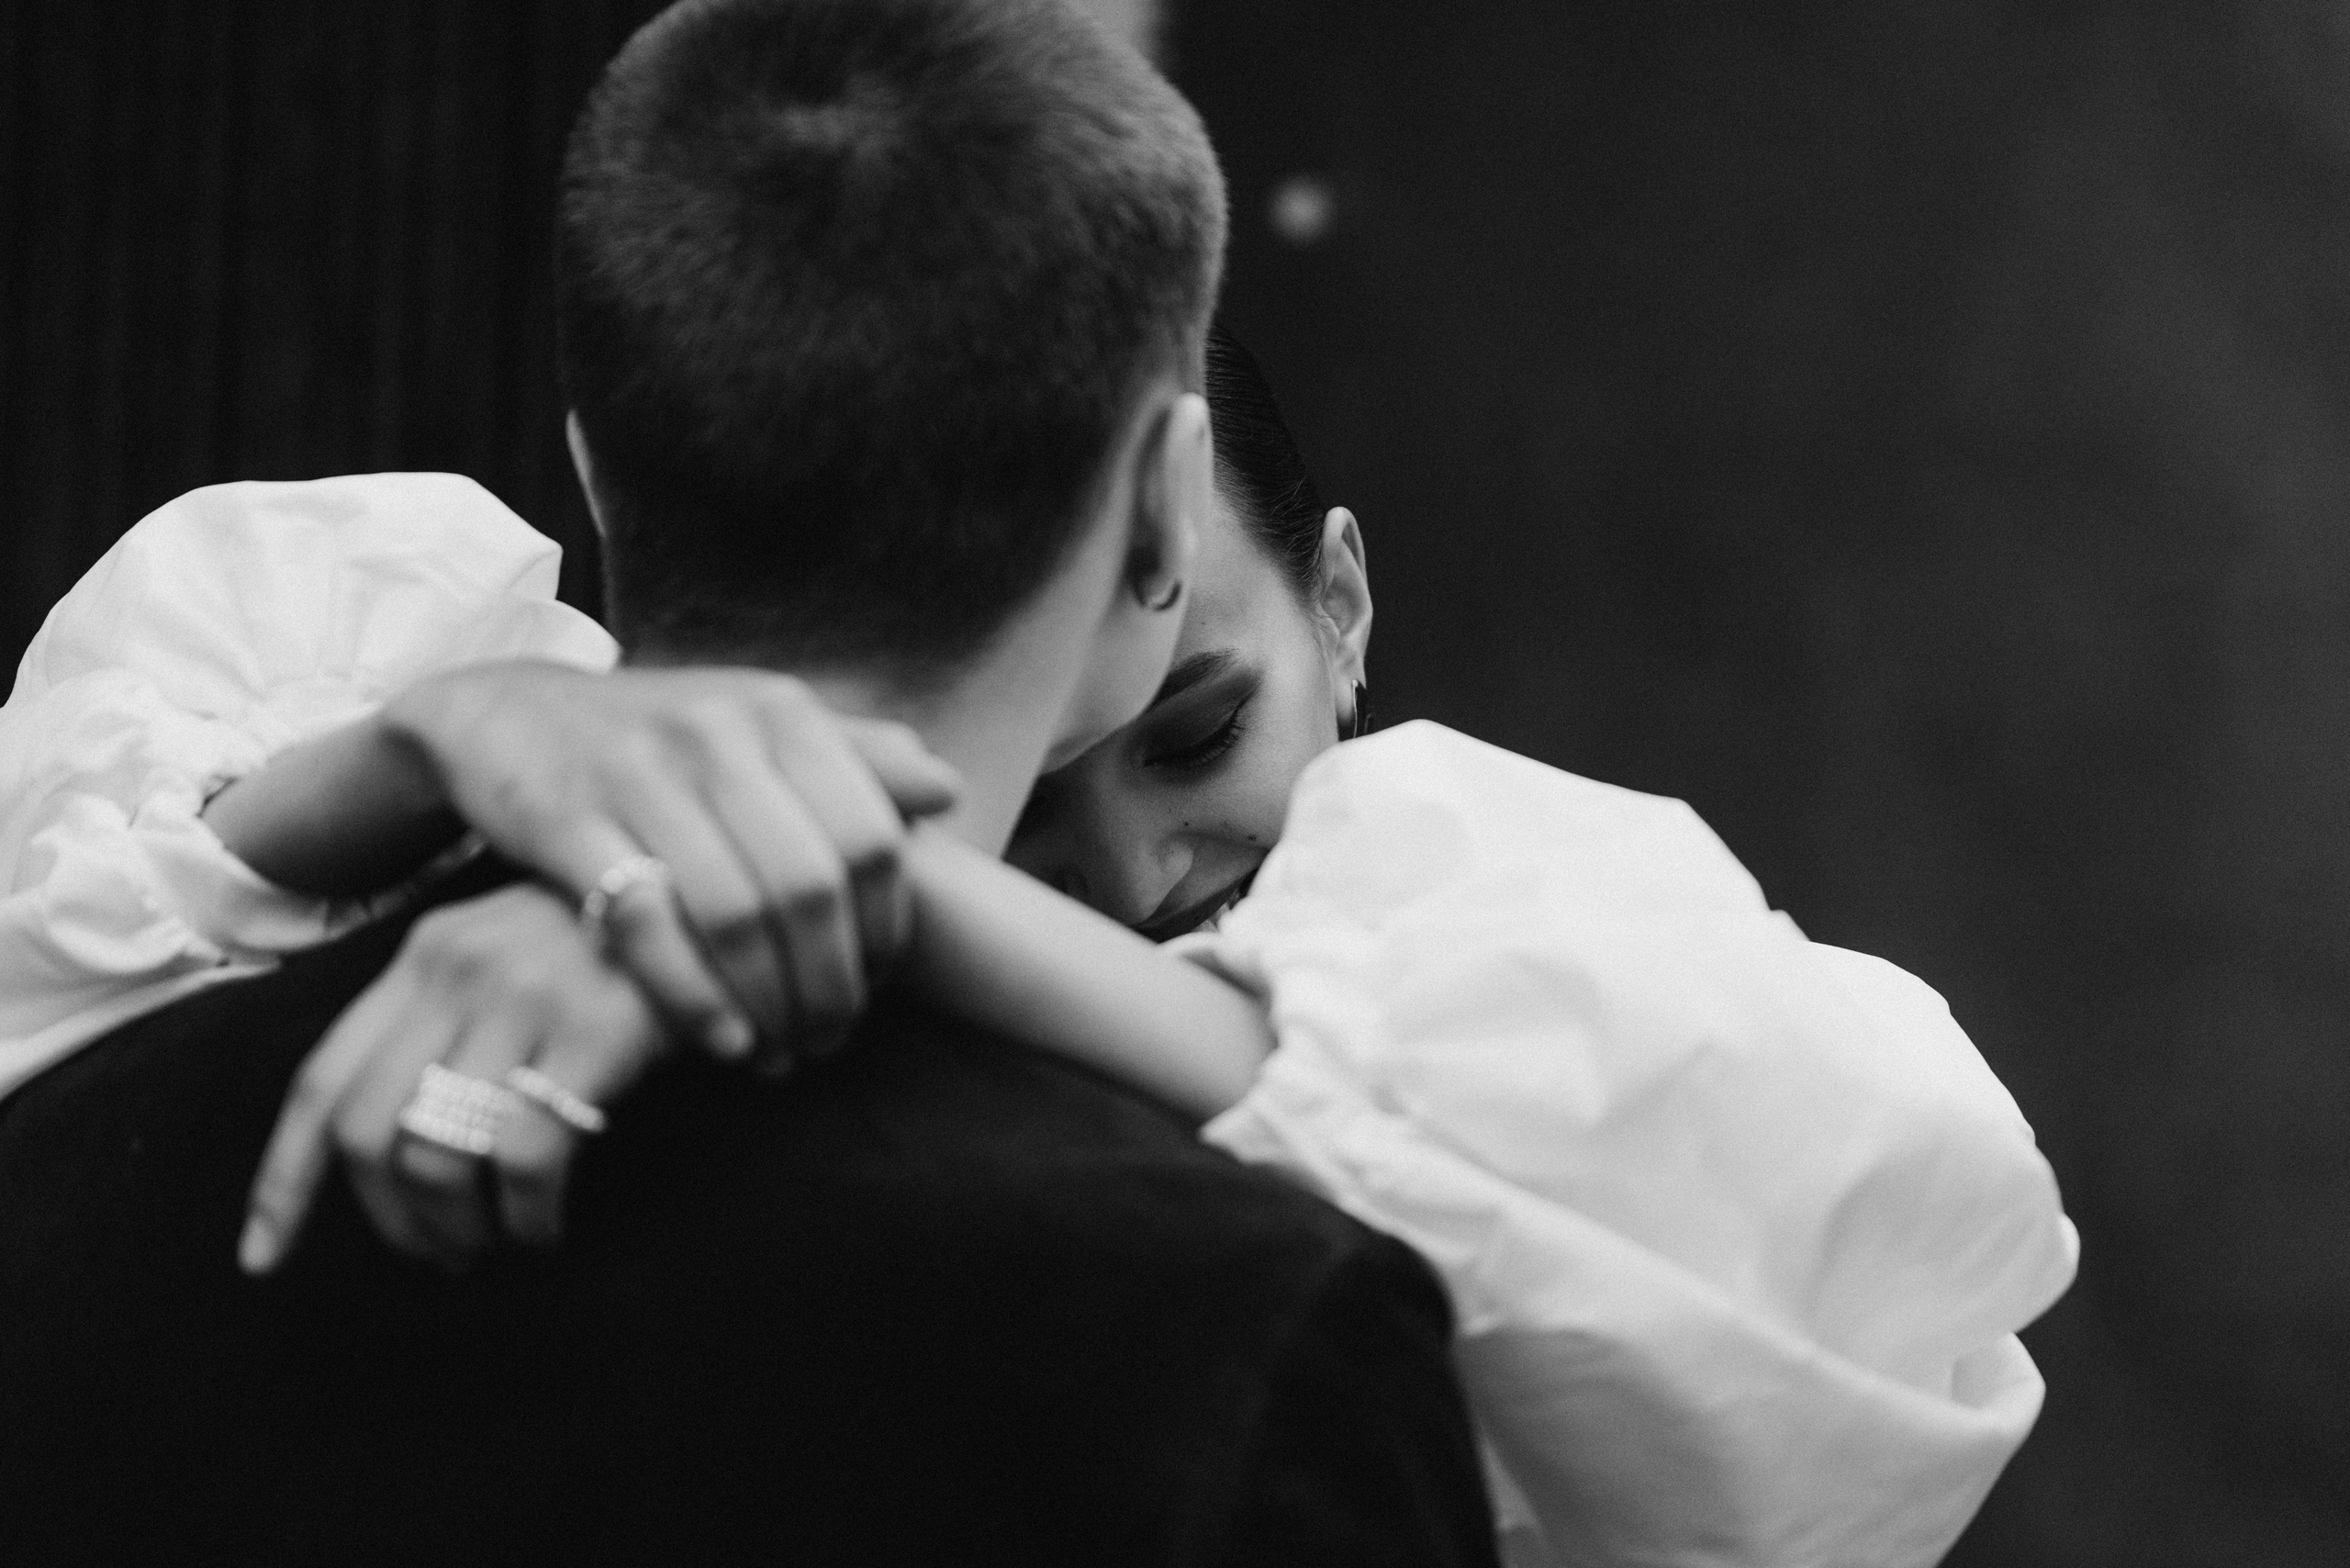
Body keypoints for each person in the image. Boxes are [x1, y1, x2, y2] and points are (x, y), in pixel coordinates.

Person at [2, 322, 2076, 1564]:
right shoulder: (444, 728)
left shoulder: (1522, 943)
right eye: (1013, 784)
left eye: (1196, 727)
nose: (1128, 862)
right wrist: (478, 766)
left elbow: (1877, 1339)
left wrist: (846, 890)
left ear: (1332, 601)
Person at [0, 2, 1505, 1563]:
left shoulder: (77, 1161)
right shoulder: (1259, 1322)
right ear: (1159, 511)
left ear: (599, 477)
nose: (1133, 887)